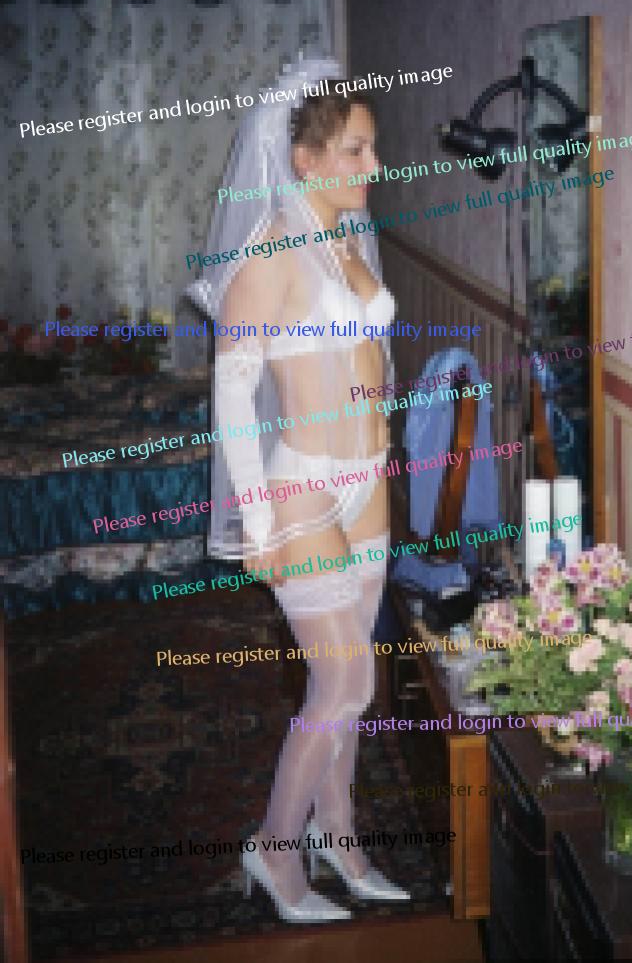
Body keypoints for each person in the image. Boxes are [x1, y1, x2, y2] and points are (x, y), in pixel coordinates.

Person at [187, 58, 409, 922]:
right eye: (355, 149)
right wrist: (255, 518)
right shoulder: (269, 252)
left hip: (368, 484)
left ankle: (338, 835)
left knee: (356, 681)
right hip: (302, 490)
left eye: (372, 148)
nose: (373, 165)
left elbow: (371, 348)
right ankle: (276, 848)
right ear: (305, 158)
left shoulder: (345, 239)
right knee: (343, 685)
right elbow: (233, 392)